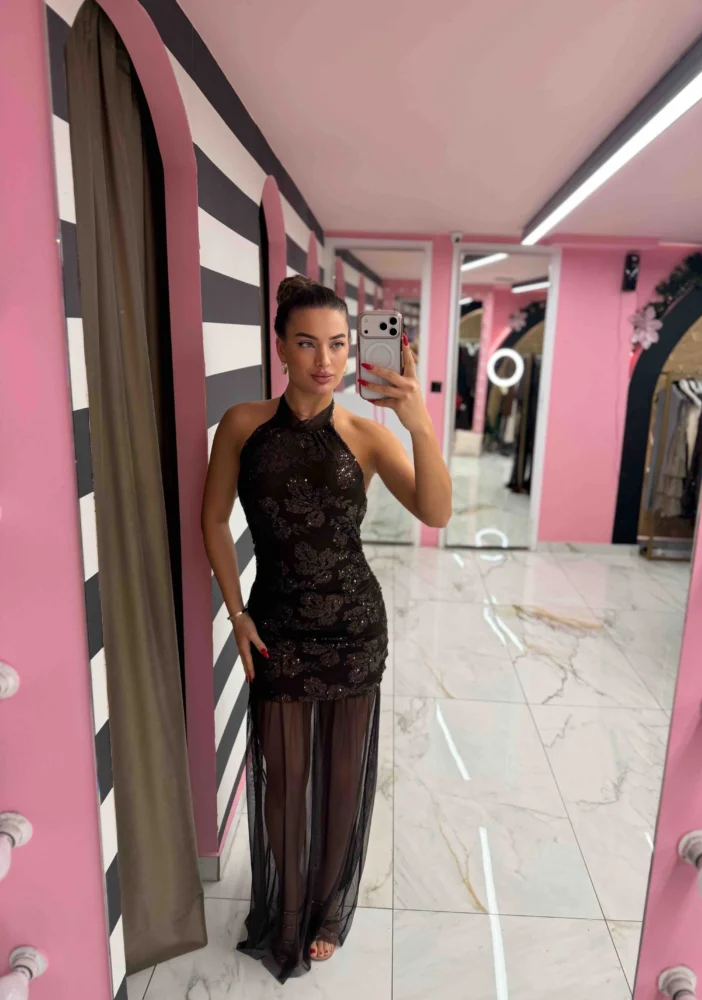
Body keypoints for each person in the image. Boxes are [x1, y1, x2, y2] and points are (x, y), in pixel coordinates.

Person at [201, 276, 452, 981]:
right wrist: (237, 612)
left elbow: (436, 512)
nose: (326, 360)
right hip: (277, 626)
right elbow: (213, 519)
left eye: (339, 344)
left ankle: (329, 909)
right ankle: (288, 909)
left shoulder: (367, 435)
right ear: (280, 347)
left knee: (342, 781)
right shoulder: (242, 424)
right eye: (308, 343)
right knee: (284, 781)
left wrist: (419, 423)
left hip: (353, 627)